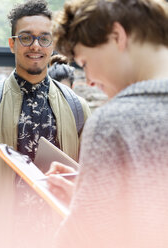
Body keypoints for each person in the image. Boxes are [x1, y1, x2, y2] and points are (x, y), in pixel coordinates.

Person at [0, 1, 91, 247]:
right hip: (4, 236)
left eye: (44, 38)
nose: (35, 46)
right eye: (26, 38)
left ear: (53, 44)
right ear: (12, 43)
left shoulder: (77, 107)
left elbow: (90, 181)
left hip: (61, 237)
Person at [46, 0, 168, 247]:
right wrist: (97, 194)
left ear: (117, 36)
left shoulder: (112, 122)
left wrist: (85, 210)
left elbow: (84, 237)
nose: (89, 81)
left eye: (85, 63)